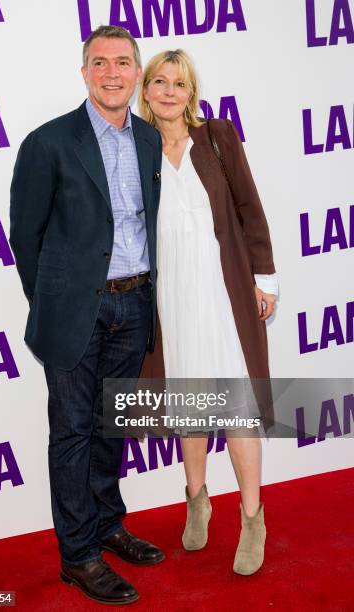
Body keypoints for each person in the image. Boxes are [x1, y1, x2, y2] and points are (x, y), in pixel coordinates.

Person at [9, 25, 164, 606]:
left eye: (123, 62)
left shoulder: (149, 140)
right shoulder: (48, 143)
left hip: (135, 302)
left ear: (135, 72)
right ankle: (78, 556)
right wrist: (54, 300)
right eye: (100, 63)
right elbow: (25, 236)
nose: (113, 73)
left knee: (111, 425)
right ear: (84, 73)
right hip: (77, 310)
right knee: (73, 432)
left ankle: (107, 525)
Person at [138, 49, 278, 575]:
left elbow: (250, 208)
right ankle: (197, 498)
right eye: (159, 81)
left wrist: (264, 278)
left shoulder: (218, 138)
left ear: (191, 92)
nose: (169, 91)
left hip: (223, 290)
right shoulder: (137, 148)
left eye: (179, 82)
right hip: (169, 294)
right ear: (146, 90)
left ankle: (251, 517)